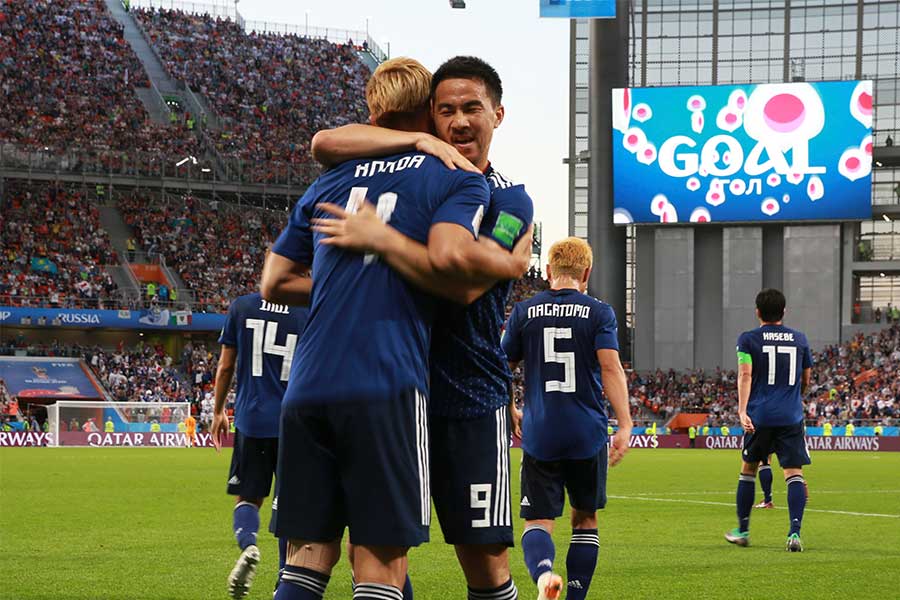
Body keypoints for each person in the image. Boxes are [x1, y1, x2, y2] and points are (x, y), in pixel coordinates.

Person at [260, 57, 526, 600]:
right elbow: (328, 141)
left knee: (482, 561)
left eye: (471, 108)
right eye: (445, 110)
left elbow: (462, 286)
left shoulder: (505, 198)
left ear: (498, 114)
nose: (458, 122)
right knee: (376, 552)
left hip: (464, 402)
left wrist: (381, 244)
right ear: (428, 118)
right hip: (395, 388)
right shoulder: (434, 174)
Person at [501, 237, 633, 600]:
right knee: (585, 518)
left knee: (538, 522)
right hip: (586, 432)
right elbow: (610, 366)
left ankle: (544, 576)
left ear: (547, 272)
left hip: (540, 430)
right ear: (586, 273)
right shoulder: (600, 312)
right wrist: (624, 424)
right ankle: (574, 596)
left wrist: (511, 405)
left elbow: (500, 367)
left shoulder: (524, 311)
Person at [210, 292, 309, 600]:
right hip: (294, 420)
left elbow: (226, 366)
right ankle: (285, 581)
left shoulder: (242, 306)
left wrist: (218, 411)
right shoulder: (306, 309)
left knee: (249, 497)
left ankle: (249, 545)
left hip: (251, 418)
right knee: (290, 505)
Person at [725, 288, 812, 552]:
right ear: (783, 312)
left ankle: (742, 530)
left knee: (748, 469)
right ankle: (794, 533)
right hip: (790, 415)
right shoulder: (800, 339)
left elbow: (745, 374)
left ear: (758, 312)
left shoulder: (748, 339)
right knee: (793, 473)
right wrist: (793, 399)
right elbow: (805, 379)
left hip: (759, 415)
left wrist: (742, 410)